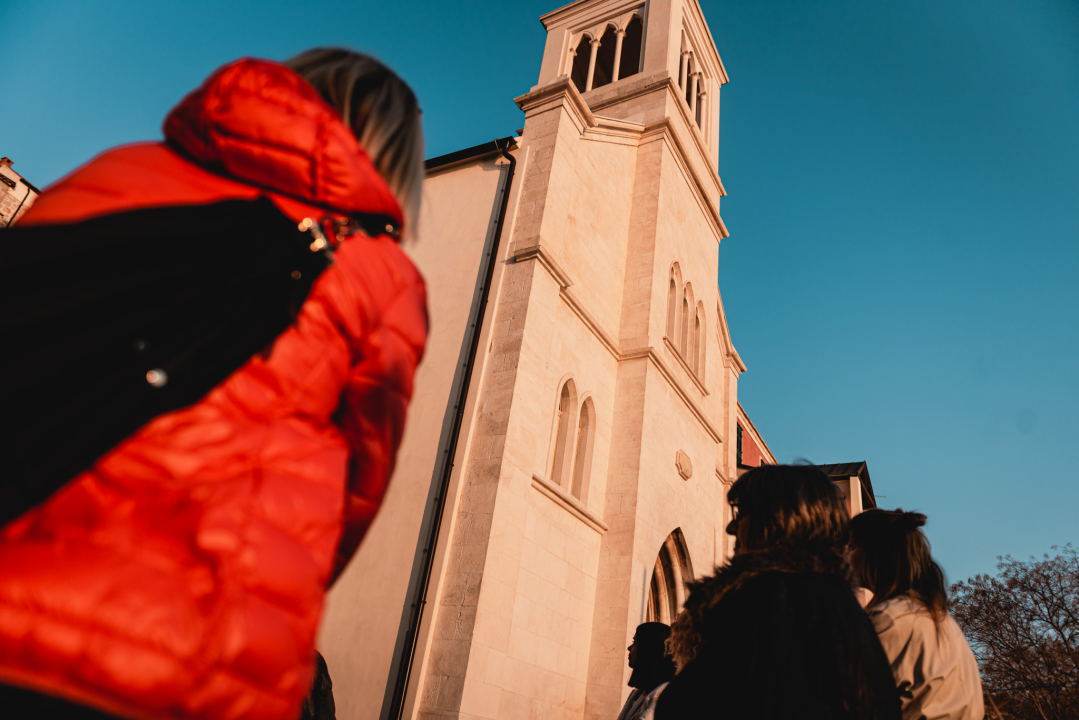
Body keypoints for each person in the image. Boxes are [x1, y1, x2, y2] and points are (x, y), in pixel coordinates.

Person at [0, 49, 427, 720]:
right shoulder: (380, 273)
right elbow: (353, 498)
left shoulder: (119, 169)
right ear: (391, 155)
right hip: (179, 651)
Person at [655, 464, 902, 720]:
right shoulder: (841, 606)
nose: (731, 527)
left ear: (774, 521)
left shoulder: (770, 599)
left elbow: (690, 704)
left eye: (741, 513)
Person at [849, 509, 984, 720]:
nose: (845, 557)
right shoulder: (938, 618)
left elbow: (847, 699)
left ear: (875, 554)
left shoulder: (891, 620)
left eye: (851, 547)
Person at [615, 623, 676, 720]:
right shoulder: (638, 693)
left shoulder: (661, 696)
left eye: (635, 642)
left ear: (647, 649)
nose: (629, 648)